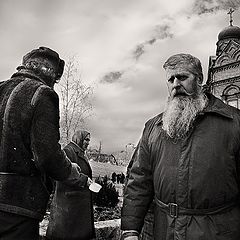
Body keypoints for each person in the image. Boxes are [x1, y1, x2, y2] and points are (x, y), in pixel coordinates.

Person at [121, 53, 240, 240]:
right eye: (171, 79)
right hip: (164, 231)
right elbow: (138, 181)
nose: (176, 83)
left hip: (216, 232)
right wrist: (130, 230)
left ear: (199, 79)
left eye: (182, 77)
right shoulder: (154, 127)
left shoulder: (234, 122)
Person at [0, 46, 89, 240]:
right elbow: (48, 156)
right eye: (56, 78)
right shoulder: (42, 93)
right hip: (18, 206)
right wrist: (72, 171)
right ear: (51, 72)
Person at [46, 130, 96, 240]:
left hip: (75, 205)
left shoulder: (79, 152)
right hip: (68, 205)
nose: (88, 143)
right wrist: (84, 180)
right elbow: (64, 174)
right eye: (86, 139)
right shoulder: (68, 151)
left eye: (89, 140)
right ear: (79, 138)